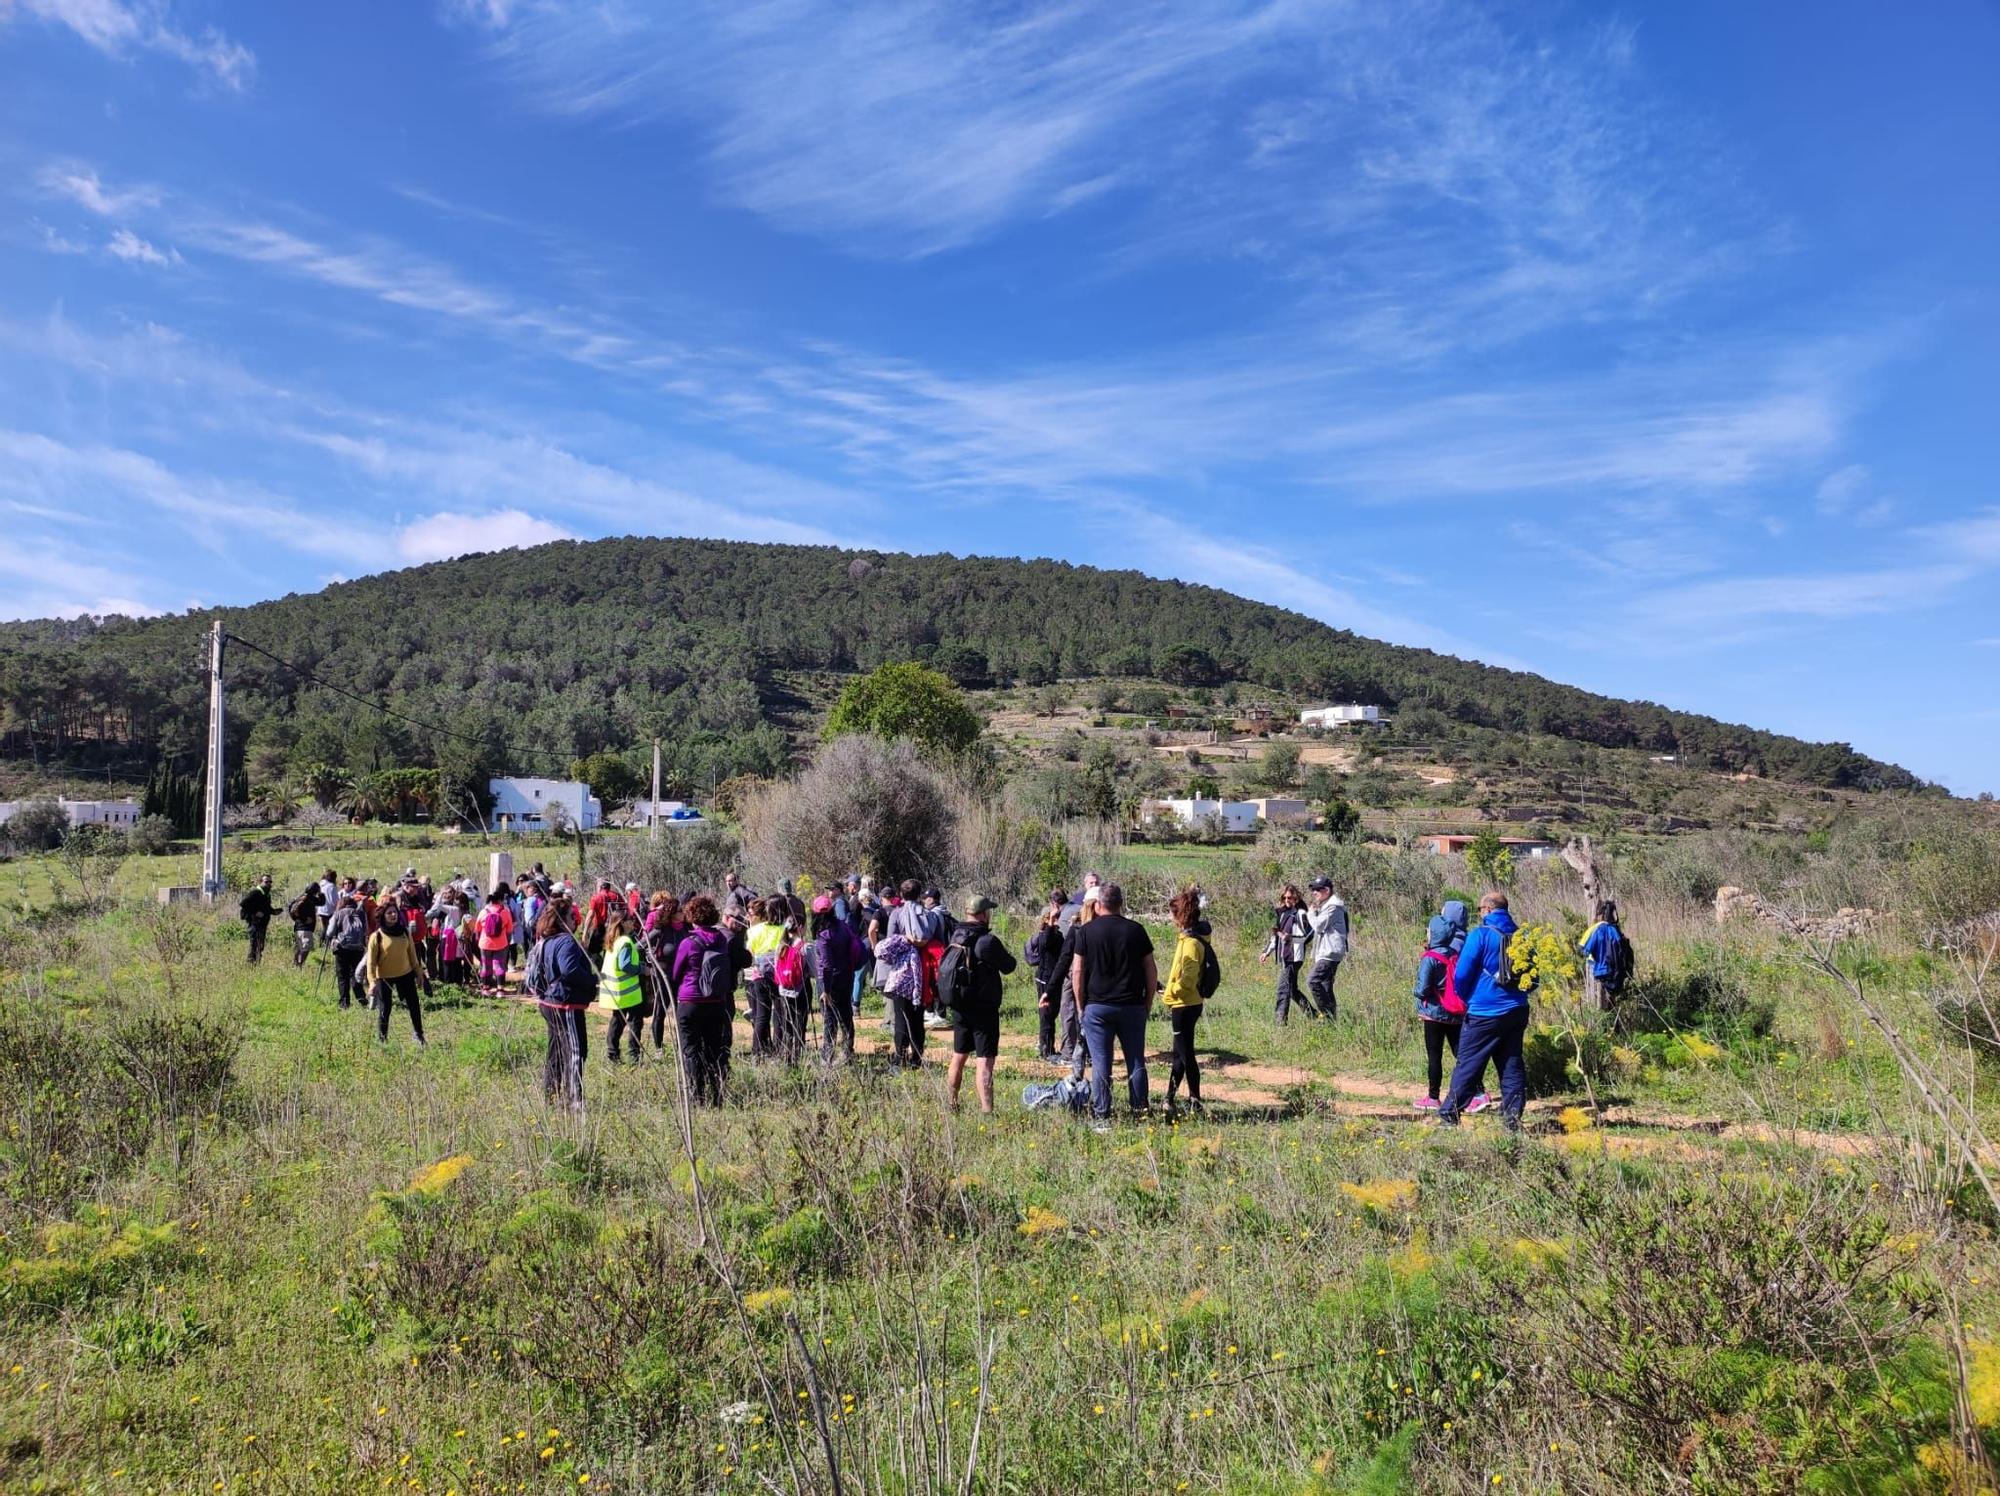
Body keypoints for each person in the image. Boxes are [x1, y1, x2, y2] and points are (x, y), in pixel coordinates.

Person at [1070, 883, 1157, 1131]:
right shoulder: (1136, 931)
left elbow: (1077, 971)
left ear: (1098, 905)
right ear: (1121, 904)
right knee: (1136, 1061)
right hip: (1131, 1006)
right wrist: (1147, 1002)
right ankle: (1139, 1113)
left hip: (1097, 1008)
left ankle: (1102, 1117)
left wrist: (1080, 1006)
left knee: (1101, 1064)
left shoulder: (1085, 932)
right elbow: (1151, 969)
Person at [1437, 892, 1529, 1130]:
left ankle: (1449, 1114)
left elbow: (1462, 975)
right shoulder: (1522, 936)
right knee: (1511, 1063)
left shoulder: (1480, 934)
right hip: (1517, 1010)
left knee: (1469, 1063)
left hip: (1484, 1012)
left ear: (1488, 909)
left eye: (1480, 909)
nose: (1479, 913)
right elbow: (1534, 977)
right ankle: (1512, 1120)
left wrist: (1468, 999)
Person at [670, 894, 749, 1106]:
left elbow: (676, 973)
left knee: (691, 1051)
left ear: (692, 917)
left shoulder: (689, 942)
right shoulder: (722, 939)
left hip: (690, 1002)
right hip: (717, 1002)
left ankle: (696, 1098)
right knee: (714, 1050)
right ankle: (717, 1095)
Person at [944, 895, 1018, 1114]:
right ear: (983, 914)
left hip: (959, 1007)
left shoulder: (955, 935)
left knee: (959, 1055)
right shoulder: (987, 941)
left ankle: (952, 1103)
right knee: (984, 1061)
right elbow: (1009, 966)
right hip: (984, 1010)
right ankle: (987, 1112)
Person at [526, 901, 596, 1110]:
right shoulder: (566, 941)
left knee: (556, 1050)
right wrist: (592, 979)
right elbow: (569, 970)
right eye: (571, 916)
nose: (575, 920)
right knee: (576, 1051)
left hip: (550, 1001)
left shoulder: (547, 940)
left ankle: (550, 1094)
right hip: (566, 1004)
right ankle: (575, 1100)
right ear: (562, 919)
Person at [1412, 911, 1476, 1112]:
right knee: (1461, 1055)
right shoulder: (1455, 954)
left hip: (1433, 1014)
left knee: (1434, 1056)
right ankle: (1474, 1093)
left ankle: (1433, 1097)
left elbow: (1422, 988)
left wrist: (1416, 994)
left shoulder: (1430, 958)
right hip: (1455, 1013)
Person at [1161, 888, 1213, 1115]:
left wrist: (1172, 989)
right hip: (1189, 1003)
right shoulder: (1190, 938)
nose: (1171, 919)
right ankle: (1169, 1098)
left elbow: (1189, 977)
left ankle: (1195, 1101)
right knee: (1180, 1055)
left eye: (1173, 914)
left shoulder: (1191, 943)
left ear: (1181, 915)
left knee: (1186, 1055)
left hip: (1184, 1005)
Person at [810, 894, 868, 1064]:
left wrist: (825, 990)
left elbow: (826, 965)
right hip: (847, 976)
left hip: (831, 981)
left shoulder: (824, 936)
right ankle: (847, 1052)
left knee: (829, 1019)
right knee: (846, 1015)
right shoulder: (843, 926)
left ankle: (827, 1057)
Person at [362, 903, 427, 1048]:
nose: (393, 915)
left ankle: (418, 1034)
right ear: (383, 916)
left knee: (414, 1005)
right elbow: (371, 964)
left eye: (395, 912)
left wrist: (419, 973)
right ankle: (382, 1039)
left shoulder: (405, 932)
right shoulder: (377, 936)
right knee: (386, 1008)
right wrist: (372, 982)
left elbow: (412, 955)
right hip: (384, 978)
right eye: (389, 913)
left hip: (405, 974)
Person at [1260, 883, 1315, 1023]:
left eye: (1289, 898)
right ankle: (1314, 1015)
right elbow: (1277, 935)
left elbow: (1309, 934)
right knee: (1292, 990)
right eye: (1284, 898)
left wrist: (1291, 939)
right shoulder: (1282, 913)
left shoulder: (1301, 913)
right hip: (1284, 957)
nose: (1286, 900)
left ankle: (1280, 1023)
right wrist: (1267, 952)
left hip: (1294, 958)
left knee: (1282, 989)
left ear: (1296, 898)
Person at [643, 893, 689, 1053]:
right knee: (660, 1011)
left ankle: (682, 1046)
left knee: (681, 1012)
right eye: (679, 911)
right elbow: (642, 945)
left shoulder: (686, 928)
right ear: (672, 914)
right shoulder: (661, 929)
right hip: (663, 976)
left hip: (682, 977)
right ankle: (658, 1049)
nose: (683, 913)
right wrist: (652, 957)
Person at [600, 908, 647, 1064]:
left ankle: (612, 1054)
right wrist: (642, 969)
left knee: (617, 1021)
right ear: (622, 923)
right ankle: (634, 1056)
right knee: (635, 1022)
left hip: (616, 991)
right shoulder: (626, 942)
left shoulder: (614, 940)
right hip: (628, 992)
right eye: (630, 920)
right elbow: (625, 965)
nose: (633, 923)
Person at [1025, 892, 1067, 1061]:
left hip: (1053, 979)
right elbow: (1046, 943)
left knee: (1052, 1012)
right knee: (1047, 1014)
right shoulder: (1045, 935)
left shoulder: (1057, 934)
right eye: (1053, 918)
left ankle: (1047, 1045)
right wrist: (1051, 923)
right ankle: (1046, 1050)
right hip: (1045, 979)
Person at [744, 898, 787, 1058]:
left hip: (759, 975)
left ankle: (757, 1051)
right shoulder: (782, 929)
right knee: (780, 1012)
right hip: (778, 975)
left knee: (761, 1015)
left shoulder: (753, 931)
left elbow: (750, 952)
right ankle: (779, 1047)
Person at [1302, 876, 1349, 1020]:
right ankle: (1332, 1021)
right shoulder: (1329, 906)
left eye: (1317, 889)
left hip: (1330, 952)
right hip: (1330, 952)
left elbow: (1318, 926)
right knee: (1326, 985)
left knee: (1313, 980)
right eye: (1313, 889)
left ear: (1327, 890)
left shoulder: (1333, 906)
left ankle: (1327, 1017)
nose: (1314, 892)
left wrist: (1310, 913)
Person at [1579, 900, 1631, 1003]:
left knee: (1601, 1003)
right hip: (1616, 974)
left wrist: (1592, 961)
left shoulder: (1597, 929)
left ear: (1600, 914)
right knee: (1612, 1004)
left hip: (1600, 972)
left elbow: (1585, 950)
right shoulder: (1615, 931)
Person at [326, 890, 368, 1009]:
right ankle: (361, 997)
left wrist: (333, 938)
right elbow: (366, 930)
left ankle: (344, 1003)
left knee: (342, 975)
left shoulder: (338, 913)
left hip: (342, 948)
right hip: (358, 948)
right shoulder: (361, 914)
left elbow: (329, 932)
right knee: (356, 973)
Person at [476, 888, 515, 994]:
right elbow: (510, 929)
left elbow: (477, 928)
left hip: (485, 943)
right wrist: (507, 940)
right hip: (501, 944)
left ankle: (485, 989)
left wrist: (479, 939)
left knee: (485, 965)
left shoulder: (483, 912)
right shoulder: (505, 912)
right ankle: (500, 990)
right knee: (499, 966)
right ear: (501, 900)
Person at [239, 874, 275, 963]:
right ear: (260, 882)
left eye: (270, 882)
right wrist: (255, 912)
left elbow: (266, 908)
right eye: (266, 882)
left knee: (260, 945)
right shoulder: (256, 892)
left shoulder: (266, 894)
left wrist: (274, 911)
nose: (269, 884)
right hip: (254, 923)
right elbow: (243, 903)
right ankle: (250, 965)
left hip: (262, 924)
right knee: (255, 944)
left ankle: (256, 964)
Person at [288, 880, 324, 968]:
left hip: (304, 927)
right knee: (306, 947)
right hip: (303, 927)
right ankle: (299, 964)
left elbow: (321, 902)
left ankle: (296, 965)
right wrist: (303, 919)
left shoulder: (310, 898)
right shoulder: (305, 898)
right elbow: (293, 910)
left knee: (301, 947)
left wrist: (321, 894)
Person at [316, 867, 338, 946]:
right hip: (329, 910)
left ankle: (322, 943)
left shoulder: (321, 884)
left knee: (324, 927)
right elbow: (333, 900)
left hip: (321, 909)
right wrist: (337, 907)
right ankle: (325, 943)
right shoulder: (331, 886)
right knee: (329, 928)